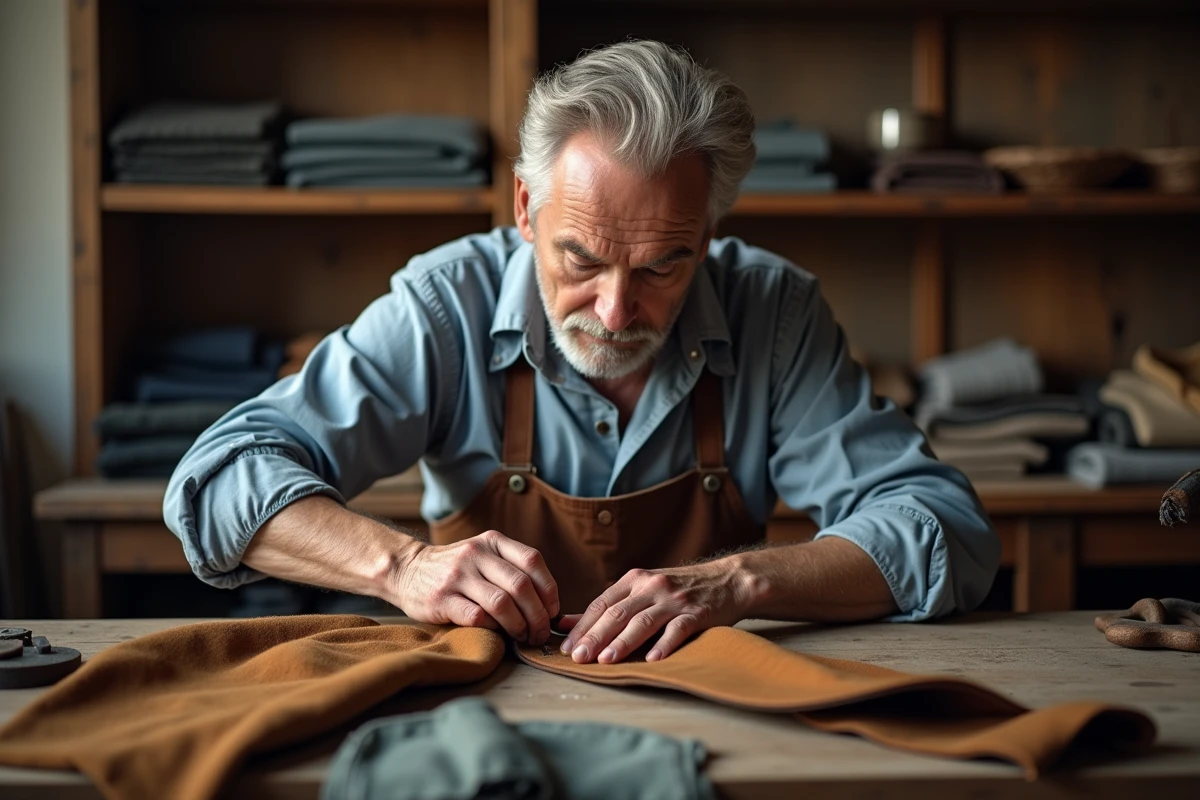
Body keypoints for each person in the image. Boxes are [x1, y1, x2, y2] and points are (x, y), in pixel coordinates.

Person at [164, 41, 999, 666]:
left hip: (712, 709)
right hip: (476, 709)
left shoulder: (773, 311)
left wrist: (740, 582)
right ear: (526, 208)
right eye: (582, 259)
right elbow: (220, 478)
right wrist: (404, 567)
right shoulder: (445, 305)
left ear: (710, 233)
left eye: (663, 264)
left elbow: (946, 529)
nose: (615, 309)